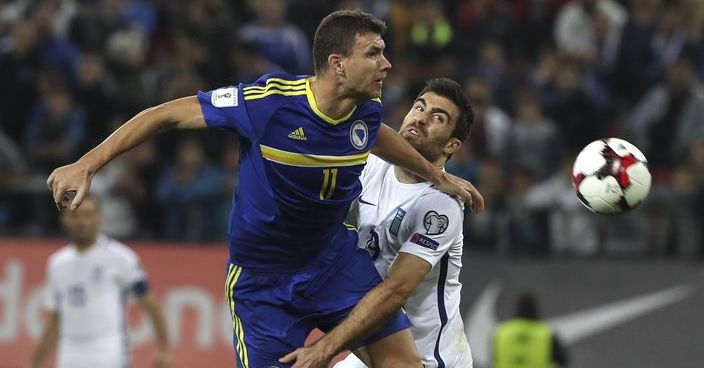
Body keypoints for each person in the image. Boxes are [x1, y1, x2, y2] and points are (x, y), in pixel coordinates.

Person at [47, 9, 484, 368]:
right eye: (374, 54)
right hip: (263, 282)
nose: (387, 65)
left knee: (402, 364)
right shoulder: (268, 104)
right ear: (338, 63)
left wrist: (437, 174)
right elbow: (166, 115)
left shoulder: (366, 110)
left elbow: (378, 135)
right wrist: (87, 165)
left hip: (332, 262)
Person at [335, 78, 474, 367]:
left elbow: (394, 291)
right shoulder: (371, 166)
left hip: (428, 358)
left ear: (452, 144)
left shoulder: (442, 205)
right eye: (419, 107)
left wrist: (325, 347)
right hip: (379, 345)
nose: (421, 118)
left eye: (438, 117)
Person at [29, 195, 170, 368]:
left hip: (108, 353)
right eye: (75, 215)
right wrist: (35, 363)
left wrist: (164, 349)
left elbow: (151, 305)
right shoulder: (57, 263)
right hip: (70, 355)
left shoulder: (120, 257)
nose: (82, 222)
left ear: (99, 218)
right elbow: (56, 319)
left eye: (88, 214)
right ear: (64, 220)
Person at [493, 291, 569, 368]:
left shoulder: (500, 333)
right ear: (536, 310)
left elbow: (494, 360)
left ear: (515, 310)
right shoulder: (547, 335)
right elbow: (564, 361)